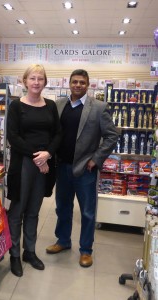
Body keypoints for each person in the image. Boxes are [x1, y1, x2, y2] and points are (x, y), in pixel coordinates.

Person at [46, 69, 118, 267]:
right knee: (62, 208)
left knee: (87, 211)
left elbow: (112, 135)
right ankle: (63, 240)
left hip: (86, 169)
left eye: (82, 83)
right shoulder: (59, 105)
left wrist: (96, 159)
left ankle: (86, 250)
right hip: (62, 167)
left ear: (88, 85)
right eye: (75, 82)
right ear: (69, 83)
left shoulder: (99, 107)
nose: (78, 85)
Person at [7, 64, 61, 277]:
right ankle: (13, 254)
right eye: (32, 78)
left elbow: (58, 134)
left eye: (40, 79)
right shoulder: (16, 106)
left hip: (44, 163)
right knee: (17, 210)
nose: (36, 82)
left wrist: (47, 154)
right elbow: (14, 137)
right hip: (23, 165)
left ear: (45, 82)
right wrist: (38, 157)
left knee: (34, 210)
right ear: (25, 81)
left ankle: (29, 251)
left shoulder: (50, 106)